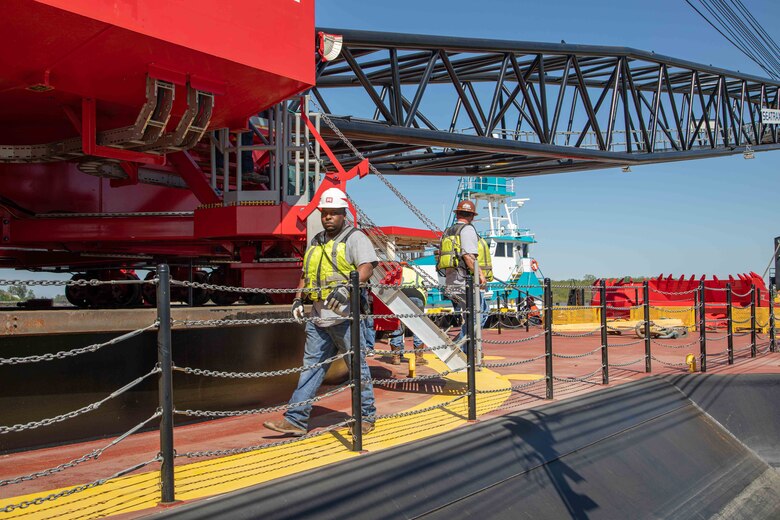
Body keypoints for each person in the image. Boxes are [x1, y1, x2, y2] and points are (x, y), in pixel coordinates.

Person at [264, 187, 379, 436]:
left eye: (333, 213)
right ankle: (296, 419)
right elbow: (307, 275)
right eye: (324, 213)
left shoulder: (355, 238)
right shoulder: (316, 241)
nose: (327, 217)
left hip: (346, 317)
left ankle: (366, 416)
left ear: (343, 214)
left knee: (357, 367)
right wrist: (297, 299)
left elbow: (367, 267)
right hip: (318, 317)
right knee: (311, 368)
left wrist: (348, 288)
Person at [436, 199, 493, 354]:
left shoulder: (448, 231)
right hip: (465, 282)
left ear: (458, 214)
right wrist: (480, 275)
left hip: (451, 281)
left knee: (471, 315)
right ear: (472, 216)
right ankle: (462, 346)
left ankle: (469, 348)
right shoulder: (467, 230)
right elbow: (468, 256)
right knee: (481, 313)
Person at [388, 264, 429, 366]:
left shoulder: (397, 272)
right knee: (418, 328)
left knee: (397, 326)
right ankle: (419, 357)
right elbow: (424, 289)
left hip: (401, 295)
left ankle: (396, 357)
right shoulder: (416, 272)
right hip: (417, 295)